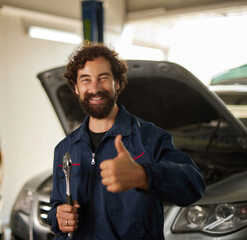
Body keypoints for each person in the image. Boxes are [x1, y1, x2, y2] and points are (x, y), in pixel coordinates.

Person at [47, 43, 205, 240]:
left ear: (118, 83)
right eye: (86, 80)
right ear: (76, 88)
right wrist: (58, 218)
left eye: (103, 78)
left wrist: (143, 175)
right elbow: (57, 206)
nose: (94, 88)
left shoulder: (149, 138)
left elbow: (193, 186)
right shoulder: (65, 148)